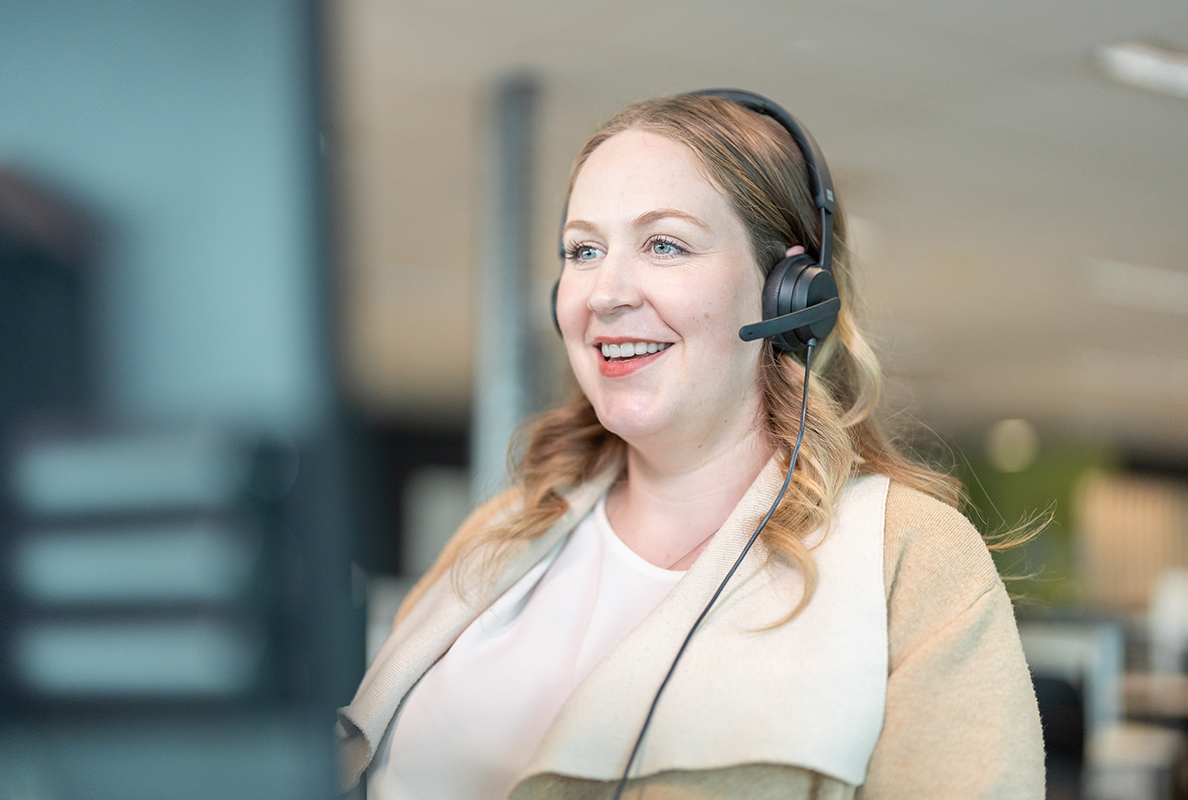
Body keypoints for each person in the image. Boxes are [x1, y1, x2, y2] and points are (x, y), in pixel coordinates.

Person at [338, 91, 1044, 799]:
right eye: (584, 251)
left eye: (664, 244)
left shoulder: (905, 559)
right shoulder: (506, 529)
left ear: (789, 295)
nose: (604, 293)